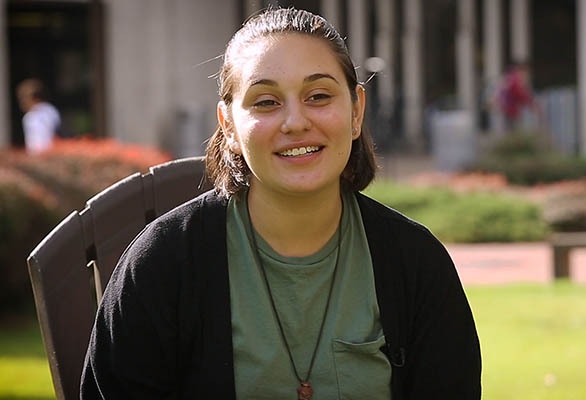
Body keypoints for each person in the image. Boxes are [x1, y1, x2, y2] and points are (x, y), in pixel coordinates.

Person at [81, 7, 481, 400]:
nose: (295, 122)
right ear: (229, 126)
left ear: (356, 111)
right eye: (266, 102)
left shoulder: (416, 263)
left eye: (319, 95)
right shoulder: (163, 262)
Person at [15, 78, 61, 154]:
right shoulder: (52, 110)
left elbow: (38, 146)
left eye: (23, 98)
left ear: (34, 97)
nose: (21, 103)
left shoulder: (33, 116)